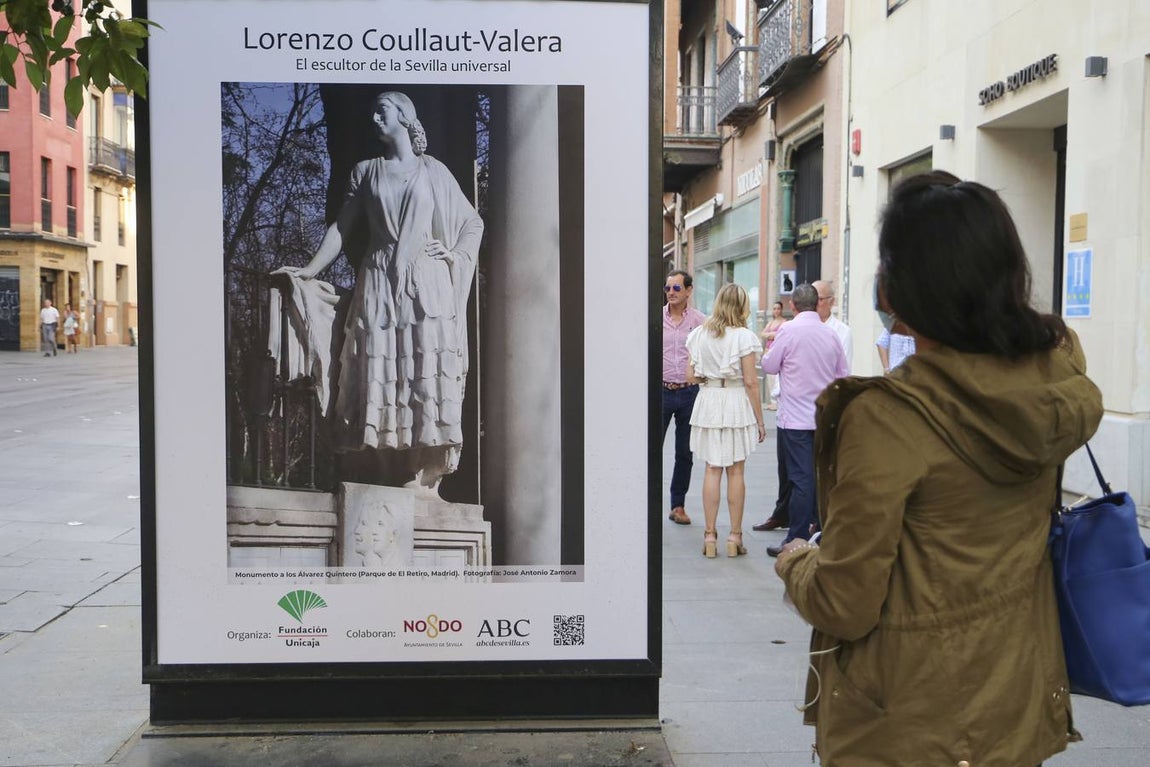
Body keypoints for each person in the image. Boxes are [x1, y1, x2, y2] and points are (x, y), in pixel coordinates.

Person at [774, 172, 1103, 766]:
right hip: (1016, 701)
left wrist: (797, 562)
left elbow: (844, 602)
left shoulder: (887, 419)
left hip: (906, 723)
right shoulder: (1053, 375)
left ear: (899, 287)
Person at [278, 91, 483, 494]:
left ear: (405, 116)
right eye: (372, 111)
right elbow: (341, 229)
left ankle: (419, 473)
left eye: (382, 110)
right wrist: (309, 269)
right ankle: (384, 468)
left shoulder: (433, 171)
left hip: (425, 284)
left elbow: (471, 223)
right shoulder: (365, 171)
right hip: (379, 280)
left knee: (421, 372)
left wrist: (453, 253)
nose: (374, 118)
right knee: (380, 369)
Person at [760, 284, 848, 557]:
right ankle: (821, 531)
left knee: (801, 480)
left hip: (795, 420)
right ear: (817, 304)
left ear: (793, 306)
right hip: (822, 419)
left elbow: (770, 366)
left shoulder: (787, 331)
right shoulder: (830, 334)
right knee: (821, 476)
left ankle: (796, 537)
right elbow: (843, 374)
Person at [684, 283, 765, 557]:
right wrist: (760, 420)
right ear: (743, 306)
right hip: (734, 400)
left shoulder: (699, 334)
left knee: (711, 469)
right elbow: (752, 383)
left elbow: (690, 376)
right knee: (736, 471)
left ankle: (709, 536)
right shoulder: (744, 337)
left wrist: (708, 377)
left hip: (708, 400)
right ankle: (735, 536)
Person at [662, 269, 706, 525]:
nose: (671, 293)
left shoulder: (700, 321)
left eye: (677, 288)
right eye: (668, 288)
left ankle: (678, 505)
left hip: (689, 393)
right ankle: (645, 501)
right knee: (649, 450)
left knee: (684, 453)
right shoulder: (656, 318)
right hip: (661, 391)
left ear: (689, 291)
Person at [812, 279, 852, 372]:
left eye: (819, 299)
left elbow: (845, 371)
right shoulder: (798, 328)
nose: (814, 303)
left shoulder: (843, 332)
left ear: (832, 301)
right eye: (812, 299)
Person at [758, 300, 787, 410]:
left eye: (778, 308)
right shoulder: (770, 323)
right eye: (774, 309)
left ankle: (776, 401)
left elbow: (781, 335)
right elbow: (762, 334)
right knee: (769, 377)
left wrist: (771, 335)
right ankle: (772, 401)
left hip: (777, 351)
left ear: (781, 310)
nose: (776, 311)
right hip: (768, 350)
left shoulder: (784, 322)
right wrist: (771, 335)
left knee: (776, 377)